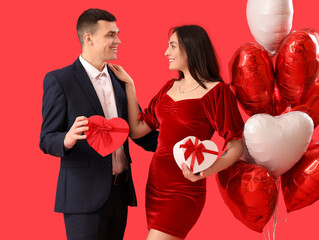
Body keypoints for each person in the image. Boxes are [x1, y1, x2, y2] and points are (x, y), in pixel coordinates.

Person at [109, 25, 244, 240]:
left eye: (172, 46)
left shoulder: (217, 92)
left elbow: (237, 144)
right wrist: (130, 85)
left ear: (191, 48)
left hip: (185, 188)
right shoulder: (169, 87)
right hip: (155, 184)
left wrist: (207, 170)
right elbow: (136, 131)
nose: (166, 52)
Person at [40, 8, 158, 240]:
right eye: (111, 35)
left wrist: (178, 145)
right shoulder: (59, 80)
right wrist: (67, 138)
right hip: (82, 197)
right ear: (89, 38)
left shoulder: (120, 79)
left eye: (117, 33)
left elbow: (137, 132)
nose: (118, 40)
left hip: (119, 192)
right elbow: (46, 139)